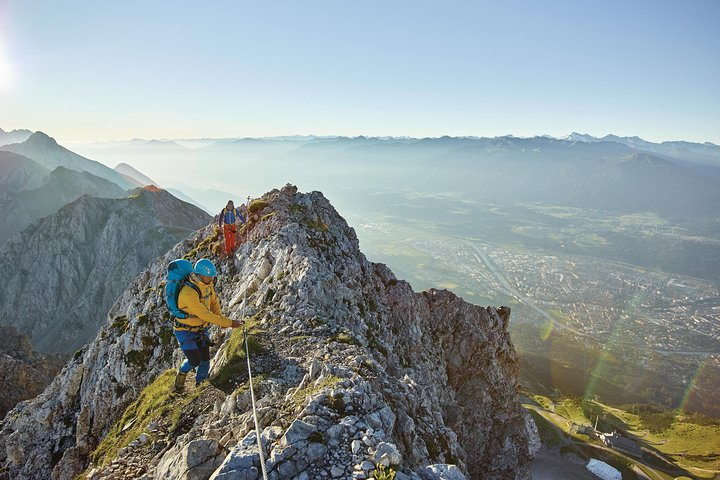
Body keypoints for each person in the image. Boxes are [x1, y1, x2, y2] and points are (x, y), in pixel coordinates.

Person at [173, 258, 243, 390]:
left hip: (201, 330)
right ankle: (182, 371)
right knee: (195, 360)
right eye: (208, 278)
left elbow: (214, 301)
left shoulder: (207, 285)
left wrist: (221, 319)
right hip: (185, 331)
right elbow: (205, 314)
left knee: (205, 358)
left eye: (212, 278)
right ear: (199, 276)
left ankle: (201, 384)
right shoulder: (188, 293)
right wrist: (229, 323)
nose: (211, 281)